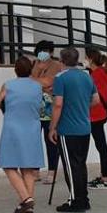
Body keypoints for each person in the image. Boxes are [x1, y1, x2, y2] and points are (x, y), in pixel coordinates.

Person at [49, 48, 100, 213]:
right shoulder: (86, 76)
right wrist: (81, 106)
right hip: (84, 127)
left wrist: (52, 127)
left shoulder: (60, 78)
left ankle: (75, 200)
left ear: (62, 61)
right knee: (80, 164)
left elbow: (58, 104)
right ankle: (83, 198)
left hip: (67, 128)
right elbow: (96, 100)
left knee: (70, 166)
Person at [0, 58, 44, 213]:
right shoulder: (38, 86)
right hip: (32, 128)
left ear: (16, 70)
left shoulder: (8, 85)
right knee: (27, 167)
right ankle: (28, 204)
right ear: (30, 69)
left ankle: (26, 199)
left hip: (13, 128)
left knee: (8, 165)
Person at [30, 40, 65, 185]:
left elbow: (48, 82)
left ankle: (52, 172)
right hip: (35, 108)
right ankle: (35, 170)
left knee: (50, 140)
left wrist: (40, 83)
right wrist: (38, 73)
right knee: (33, 140)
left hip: (50, 108)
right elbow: (30, 80)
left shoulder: (56, 65)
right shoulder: (35, 64)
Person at [85, 49, 107, 190]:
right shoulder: (102, 74)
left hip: (94, 115)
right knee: (101, 145)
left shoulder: (96, 75)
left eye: (86, 58)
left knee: (101, 146)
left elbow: (93, 96)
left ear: (91, 60)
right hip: (101, 114)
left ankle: (106, 178)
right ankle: (105, 176)